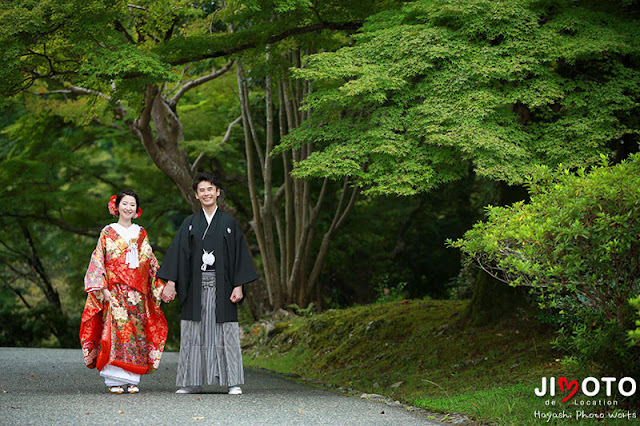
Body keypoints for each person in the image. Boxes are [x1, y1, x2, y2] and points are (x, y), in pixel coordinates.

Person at [158, 172, 258, 395]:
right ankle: (192, 381)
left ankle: (232, 381)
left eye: (210, 189)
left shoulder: (229, 223)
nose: (206, 193)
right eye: (201, 190)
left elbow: (240, 257)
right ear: (196, 195)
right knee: (194, 331)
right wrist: (171, 283)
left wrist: (238, 285)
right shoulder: (190, 224)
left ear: (218, 192)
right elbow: (178, 255)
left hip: (223, 285)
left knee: (226, 331)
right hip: (195, 286)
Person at [79, 190, 168, 394]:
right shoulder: (108, 232)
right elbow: (98, 260)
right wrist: (102, 288)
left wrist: (161, 285)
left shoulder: (141, 232)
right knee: (116, 332)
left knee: (136, 333)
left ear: (137, 209)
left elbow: (151, 261)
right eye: (125, 204)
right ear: (116, 206)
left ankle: (133, 378)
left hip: (138, 293)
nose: (128, 208)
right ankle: (114, 380)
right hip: (115, 290)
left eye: (133, 205)